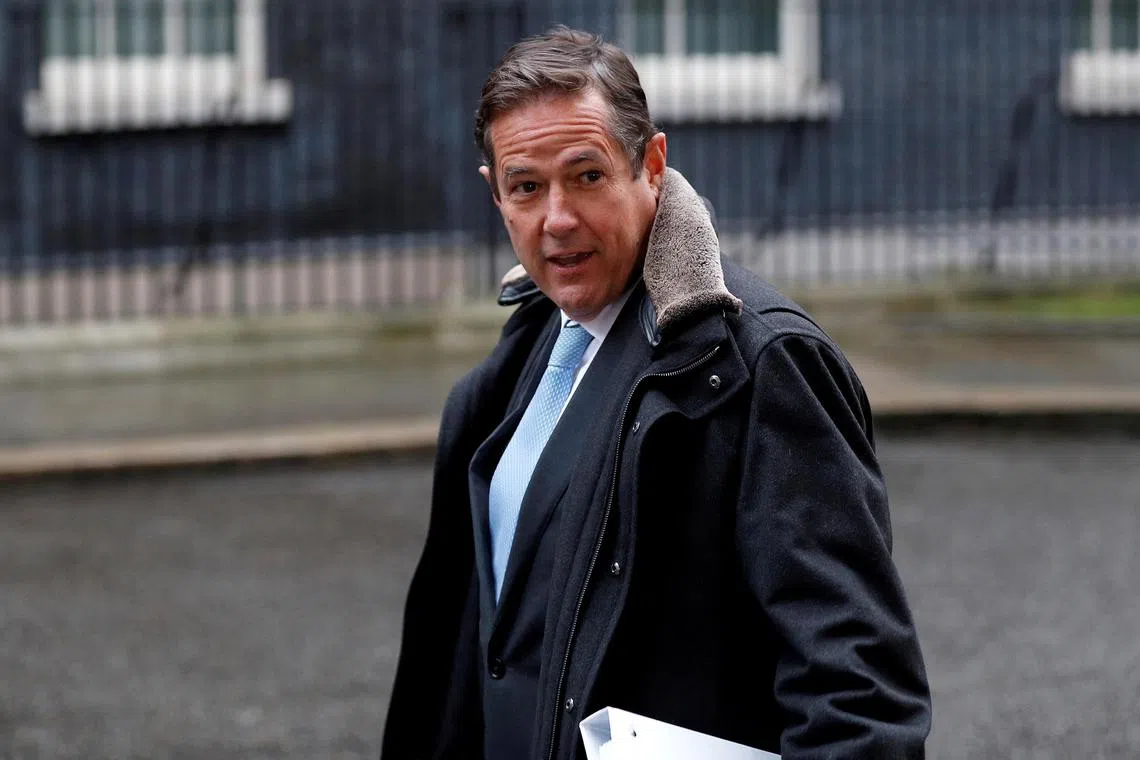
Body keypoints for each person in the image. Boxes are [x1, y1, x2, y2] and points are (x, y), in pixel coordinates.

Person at [381, 26, 931, 760]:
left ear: (652, 166)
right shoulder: (528, 348)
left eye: (586, 175)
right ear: (495, 194)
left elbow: (858, 692)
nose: (558, 220)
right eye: (526, 187)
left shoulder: (763, 364)